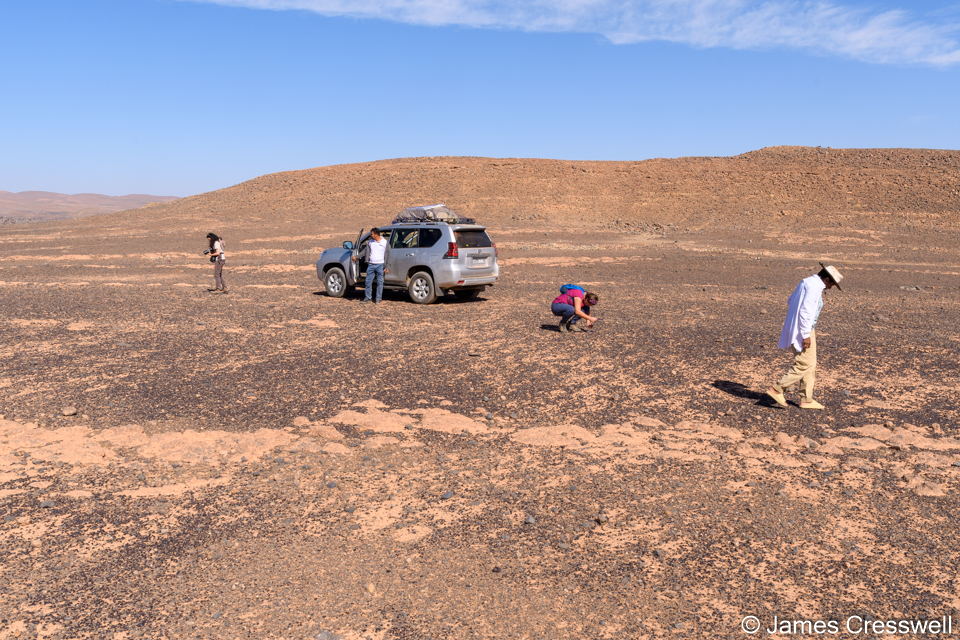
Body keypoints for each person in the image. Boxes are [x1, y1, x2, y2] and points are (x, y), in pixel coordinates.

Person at [766, 263, 843, 409]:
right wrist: (805, 334)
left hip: (803, 327)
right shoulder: (814, 286)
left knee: (811, 363)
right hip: (803, 329)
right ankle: (777, 389)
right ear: (827, 279)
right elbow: (805, 311)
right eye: (832, 284)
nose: (830, 288)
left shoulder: (807, 282)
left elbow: (791, 300)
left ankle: (806, 399)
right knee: (804, 364)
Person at [352, 228, 390, 304]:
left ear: (376, 234)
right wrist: (357, 257)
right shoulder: (370, 242)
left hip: (380, 265)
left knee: (380, 282)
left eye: (371, 234)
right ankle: (368, 298)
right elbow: (365, 252)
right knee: (368, 282)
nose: (370, 235)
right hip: (371, 265)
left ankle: (378, 299)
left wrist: (388, 267)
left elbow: (388, 256)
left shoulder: (385, 243)